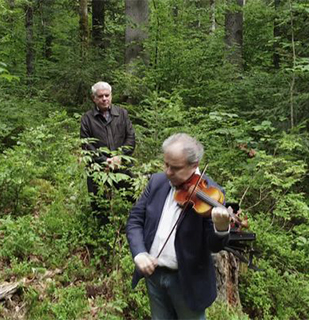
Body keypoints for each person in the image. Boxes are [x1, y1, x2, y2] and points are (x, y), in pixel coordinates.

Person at [126, 133, 232, 319]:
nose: (168, 172)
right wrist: (140, 253)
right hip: (154, 277)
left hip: (187, 283)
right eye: (166, 164)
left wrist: (221, 228)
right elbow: (135, 219)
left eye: (175, 168)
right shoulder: (157, 182)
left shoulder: (211, 194)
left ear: (195, 165)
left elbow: (214, 245)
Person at [80, 81, 136, 223]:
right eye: (100, 96)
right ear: (94, 98)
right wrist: (105, 161)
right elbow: (86, 145)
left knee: (133, 197)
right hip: (98, 168)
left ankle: (132, 226)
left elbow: (130, 139)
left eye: (107, 95)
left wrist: (120, 157)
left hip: (121, 165)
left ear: (111, 96)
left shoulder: (122, 114)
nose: (104, 98)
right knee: (99, 205)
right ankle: (102, 236)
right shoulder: (87, 118)